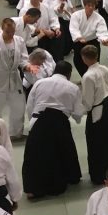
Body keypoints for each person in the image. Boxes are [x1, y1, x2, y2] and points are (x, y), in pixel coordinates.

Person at [22, 61, 84, 198]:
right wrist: (77, 118)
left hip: (38, 119)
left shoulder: (39, 83)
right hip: (59, 122)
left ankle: (32, 189)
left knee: (34, 155)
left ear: (55, 70)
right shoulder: (73, 87)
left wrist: (32, 120)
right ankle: (70, 177)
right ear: (69, 74)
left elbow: (30, 104)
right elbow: (78, 114)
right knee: (62, 151)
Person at [80, 45, 108, 185]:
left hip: (98, 108)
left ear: (84, 58)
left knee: (96, 141)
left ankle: (99, 173)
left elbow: (88, 100)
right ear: (97, 55)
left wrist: (80, 111)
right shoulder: (105, 68)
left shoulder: (88, 76)